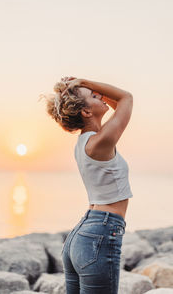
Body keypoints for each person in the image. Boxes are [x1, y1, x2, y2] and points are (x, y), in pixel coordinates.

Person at [38, 77, 133, 294]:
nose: (99, 95)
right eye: (93, 95)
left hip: (82, 236)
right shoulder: (99, 143)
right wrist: (84, 81)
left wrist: (86, 90)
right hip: (100, 234)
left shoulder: (87, 142)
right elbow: (126, 98)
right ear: (86, 112)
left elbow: (119, 104)